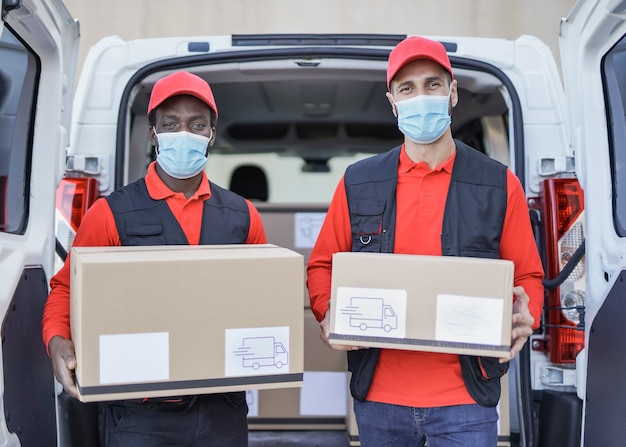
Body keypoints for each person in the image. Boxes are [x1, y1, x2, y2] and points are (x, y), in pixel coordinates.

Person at [306, 36, 544, 447]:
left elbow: (528, 274)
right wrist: (329, 315)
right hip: (380, 399)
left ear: (452, 92)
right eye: (407, 88)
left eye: (432, 84)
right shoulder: (359, 182)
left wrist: (528, 314)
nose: (421, 97)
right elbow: (322, 265)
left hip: (467, 400)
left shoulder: (498, 183)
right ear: (392, 102)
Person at [42, 70, 267, 447]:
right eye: (171, 124)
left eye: (197, 124)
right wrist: (57, 340)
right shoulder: (110, 213)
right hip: (139, 411)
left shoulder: (243, 215)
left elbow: (265, 301)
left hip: (220, 408)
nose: (184, 133)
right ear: (153, 134)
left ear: (211, 134)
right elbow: (67, 288)